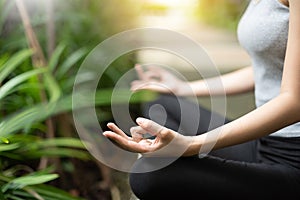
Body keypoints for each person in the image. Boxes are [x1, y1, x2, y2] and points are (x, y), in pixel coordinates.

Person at [103, 0, 300, 199]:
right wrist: (183, 88)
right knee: (161, 102)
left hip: (292, 159)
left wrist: (192, 145)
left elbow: (294, 102)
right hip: (264, 143)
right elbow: (268, 68)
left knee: (148, 174)